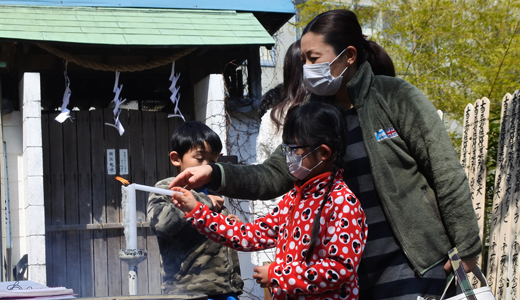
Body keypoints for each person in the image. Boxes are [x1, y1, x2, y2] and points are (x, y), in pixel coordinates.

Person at [170, 9, 481, 300]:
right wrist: (216, 174)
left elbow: (445, 172)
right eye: (303, 59)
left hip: (409, 261)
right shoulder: (312, 117)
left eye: (313, 57)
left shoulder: (395, 97)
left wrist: (466, 247)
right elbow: (273, 174)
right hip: (347, 280)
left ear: (349, 56)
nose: (306, 67)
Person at [171, 102, 367, 300]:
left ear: (324, 153)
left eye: (294, 149)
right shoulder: (294, 198)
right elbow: (250, 235)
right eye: (286, 149)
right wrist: (197, 211)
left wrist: (277, 275)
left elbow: (341, 269)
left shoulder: (342, 202)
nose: (288, 156)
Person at [147, 121, 243, 300]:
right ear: (176, 158)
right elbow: (161, 224)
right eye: (199, 159)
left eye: (213, 162)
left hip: (225, 289)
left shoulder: (213, 193)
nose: (206, 167)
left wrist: (231, 226)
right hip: (189, 291)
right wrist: (204, 202)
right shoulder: (168, 190)